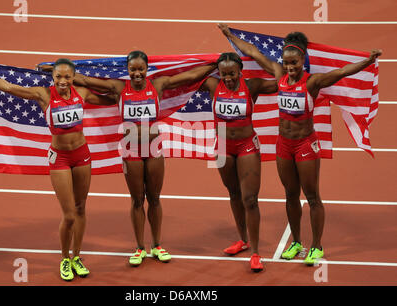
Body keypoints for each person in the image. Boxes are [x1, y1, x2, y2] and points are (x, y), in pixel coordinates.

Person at [219, 23, 382, 265]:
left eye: (294, 63)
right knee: (290, 195)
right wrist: (230, 35)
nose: (289, 67)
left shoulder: (312, 82)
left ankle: (316, 245)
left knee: (313, 196)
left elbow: (342, 72)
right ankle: (296, 242)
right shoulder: (278, 75)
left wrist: (367, 61)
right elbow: (254, 52)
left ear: (302, 60)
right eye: (286, 62)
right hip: (283, 145)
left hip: (305, 145)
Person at [0, 58, 116, 281]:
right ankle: (64, 258)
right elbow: (8, 87)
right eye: (58, 77)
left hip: (82, 155)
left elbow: (113, 97)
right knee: (70, 215)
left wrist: (135, 88)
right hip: (60, 159)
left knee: (81, 208)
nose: (63, 81)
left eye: (67, 77)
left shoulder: (82, 92)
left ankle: (76, 257)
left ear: (74, 77)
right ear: (52, 77)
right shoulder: (44, 95)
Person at [66, 51, 217, 266]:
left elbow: (190, 77)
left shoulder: (158, 85)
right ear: (128, 70)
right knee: (137, 200)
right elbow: (85, 80)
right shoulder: (119, 88)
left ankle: (156, 245)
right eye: (133, 69)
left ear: (146, 69)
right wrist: (57, 70)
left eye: (140, 69)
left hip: (153, 148)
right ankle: (139, 248)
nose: (137, 73)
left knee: (154, 198)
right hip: (130, 150)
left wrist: (214, 66)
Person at [196, 50, 277, 272]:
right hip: (221, 146)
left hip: (247, 145)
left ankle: (257, 253)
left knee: (250, 199)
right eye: (224, 74)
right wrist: (211, 65)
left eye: (232, 73)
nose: (229, 78)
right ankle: (243, 240)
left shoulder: (252, 86)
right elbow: (187, 78)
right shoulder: (213, 85)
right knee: (233, 193)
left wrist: (259, 58)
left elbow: (283, 81)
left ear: (240, 70)